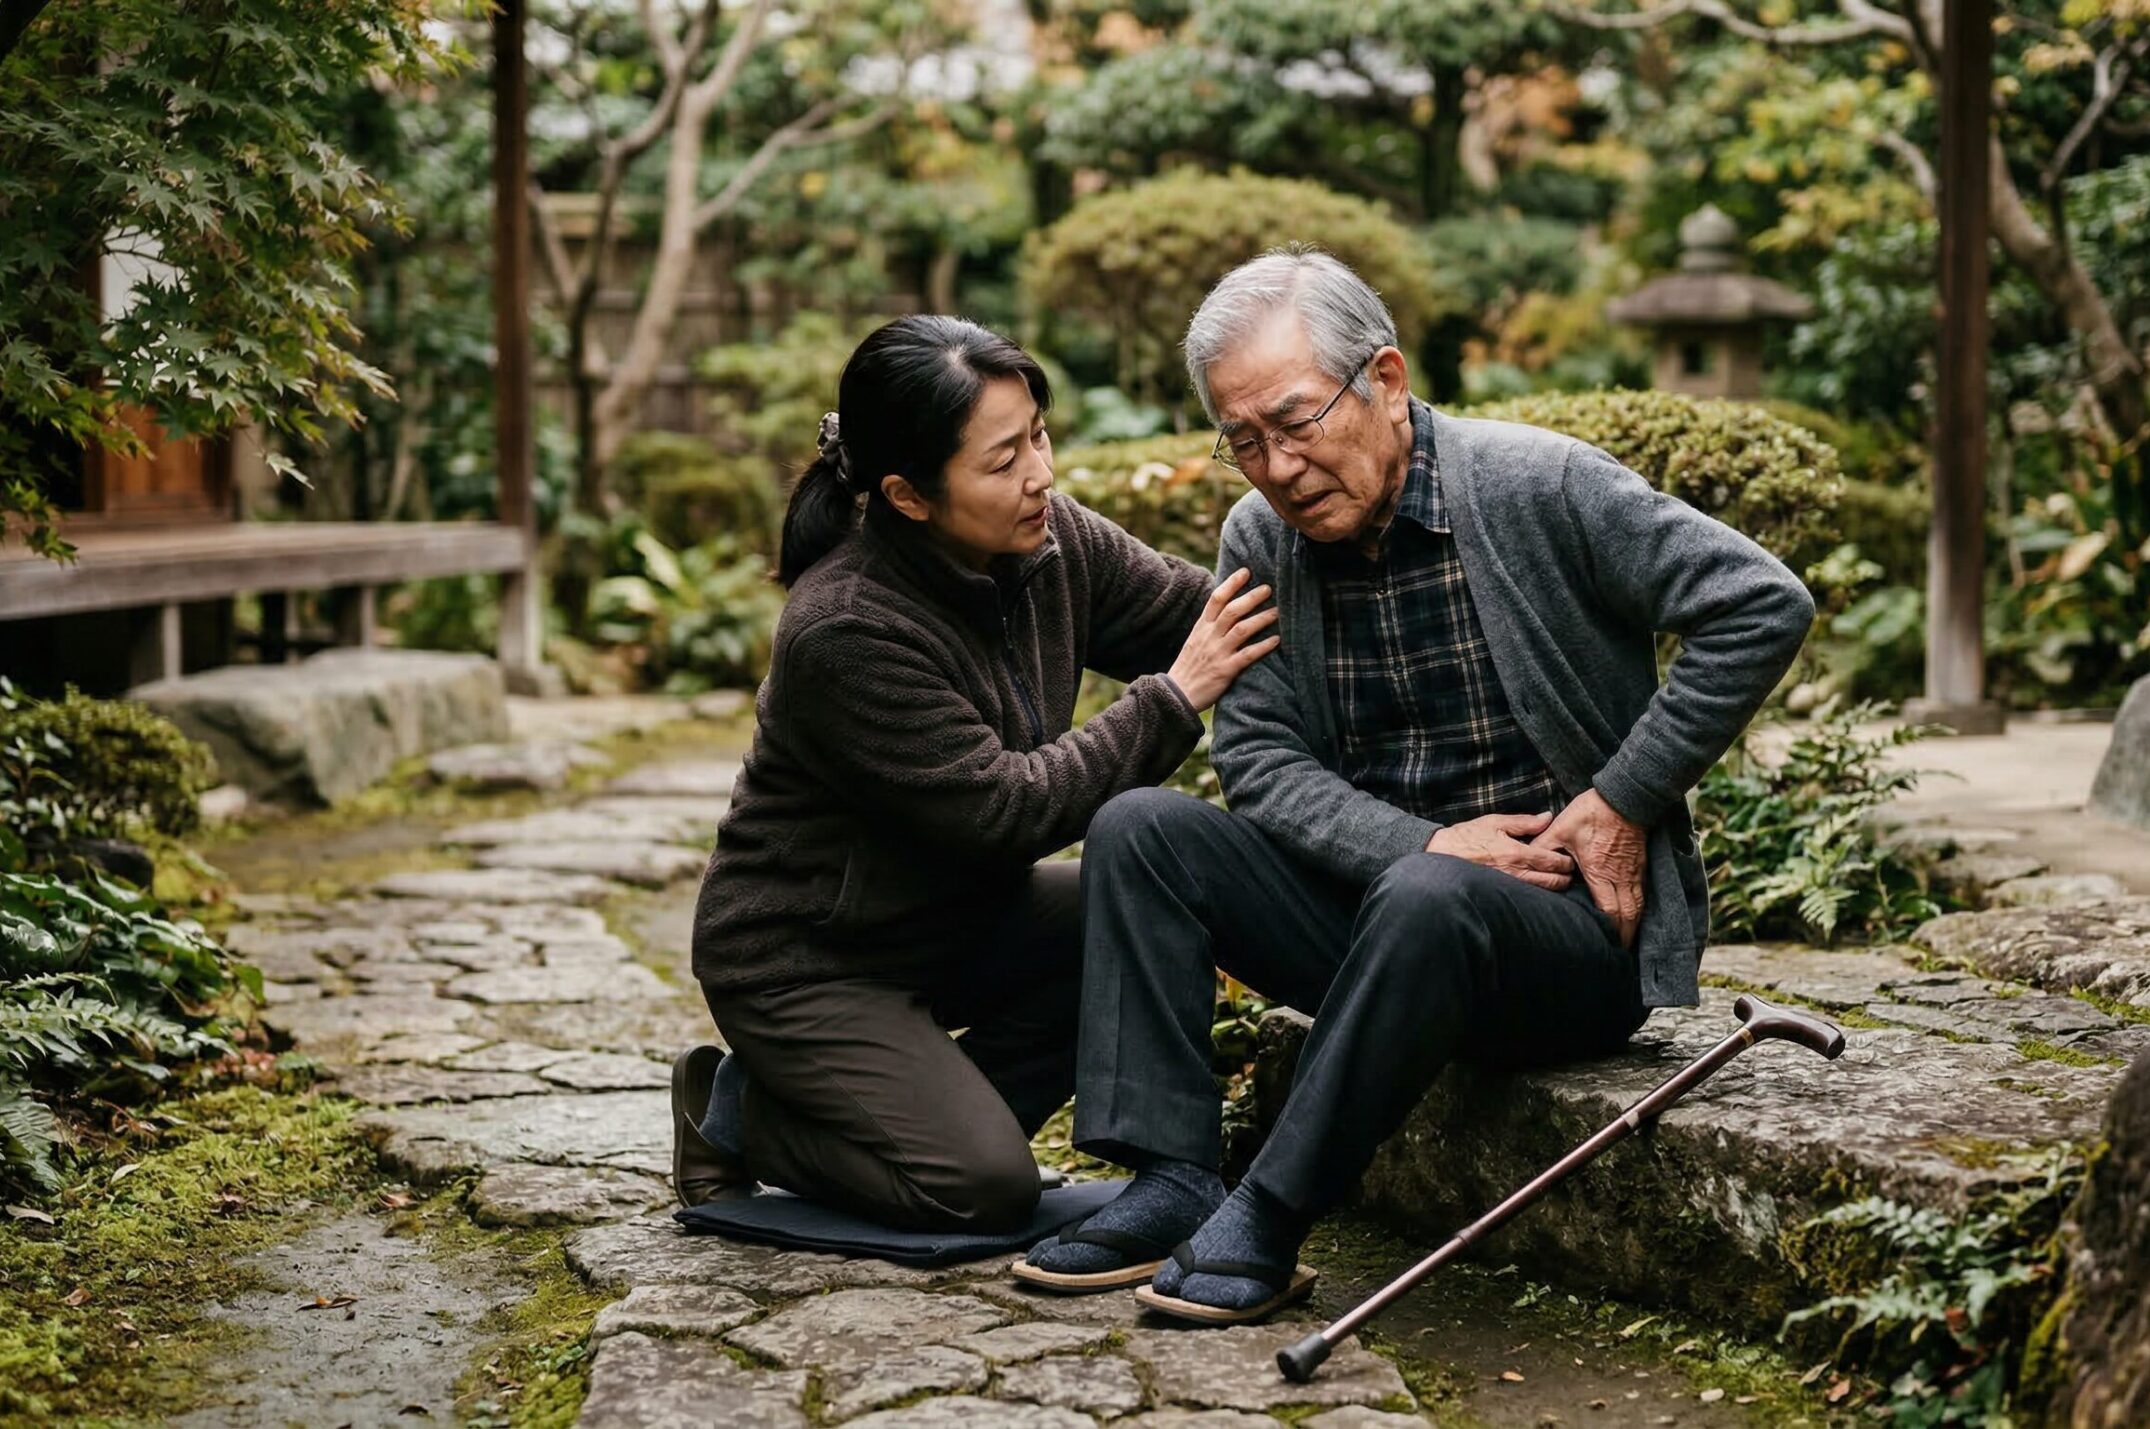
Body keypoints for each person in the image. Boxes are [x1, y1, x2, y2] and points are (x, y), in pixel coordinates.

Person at [1012, 247, 1815, 1320]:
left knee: (1429, 896)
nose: (1277, 467)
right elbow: (1259, 762)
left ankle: (1271, 1213)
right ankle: (1172, 1179)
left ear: (1384, 380)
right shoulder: (1261, 539)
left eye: (1296, 421)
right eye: (1243, 440)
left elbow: (1760, 602)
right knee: (1142, 828)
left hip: (1565, 937)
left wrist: (1623, 798)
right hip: (1380, 925)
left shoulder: (1539, 483)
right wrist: (1427, 843)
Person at [670, 314, 1279, 1233]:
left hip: (954, 915)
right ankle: (742, 1113)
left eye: (1038, 435)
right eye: (1003, 461)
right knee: (983, 1186)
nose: (1040, 474)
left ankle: (913, 1115)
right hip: (811, 958)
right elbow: (1008, 809)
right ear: (908, 495)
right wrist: (1173, 698)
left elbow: (1211, 614)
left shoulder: (1052, 540)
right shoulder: (845, 628)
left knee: (1143, 907)